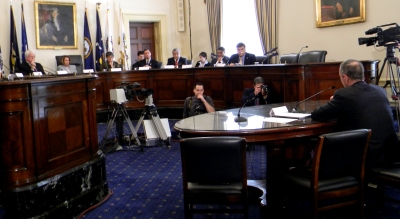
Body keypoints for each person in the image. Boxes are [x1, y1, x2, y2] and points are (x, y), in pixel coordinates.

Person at [311, 59, 397, 169]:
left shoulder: (344, 95)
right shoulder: (380, 90)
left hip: (364, 156)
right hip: (390, 152)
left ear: (345, 77)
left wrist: (333, 102)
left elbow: (317, 114)